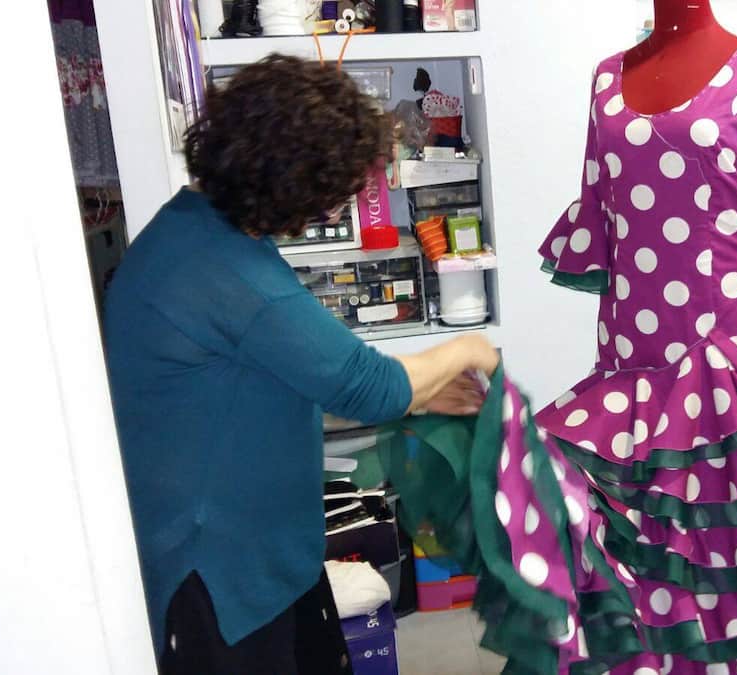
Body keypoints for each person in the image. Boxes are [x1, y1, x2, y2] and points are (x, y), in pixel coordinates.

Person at [103, 55, 499, 675]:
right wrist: (470, 349)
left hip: (261, 553)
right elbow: (364, 387)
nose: (337, 209)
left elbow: (282, 375)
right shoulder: (225, 271)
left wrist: (420, 394)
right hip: (219, 572)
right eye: (332, 193)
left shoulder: (199, 231)